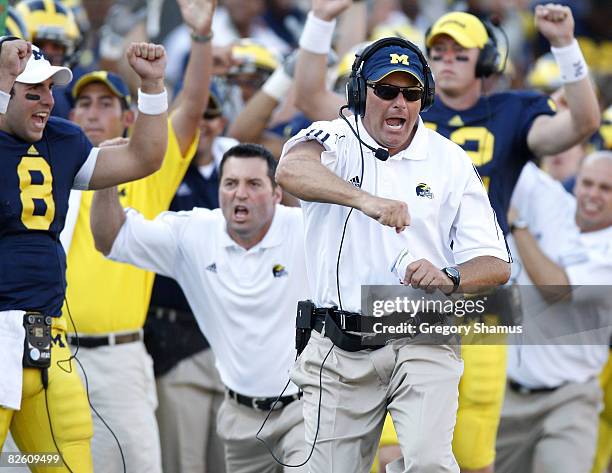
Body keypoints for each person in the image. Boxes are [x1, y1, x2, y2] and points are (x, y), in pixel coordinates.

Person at [290, 3, 600, 471]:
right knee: (370, 455)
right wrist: (321, 18)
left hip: (458, 301)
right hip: (366, 311)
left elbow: (582, 124)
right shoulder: (343, 134)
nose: (448, 57)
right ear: (363, 92)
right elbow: (302, 120)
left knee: (460, 455)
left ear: (487, 61)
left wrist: (564, 46)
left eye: (461, 50)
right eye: (439, 48)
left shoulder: (507, 116)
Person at [276, 35, 511, 473]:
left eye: (411, 93)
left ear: (425, 98)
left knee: (429, 464)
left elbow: (497, 263)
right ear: (361, 94)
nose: (399, 102)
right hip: (340, 345)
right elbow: (290, 170)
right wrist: (367, 200)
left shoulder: (450, 159)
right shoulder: (335, 138)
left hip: (422, 331)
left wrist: (450, 277)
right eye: (386, 90)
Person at [59, 1, 216, 472]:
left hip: (119, 360)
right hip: (46, 354)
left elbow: (191, 106)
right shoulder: (43, 164)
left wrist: (201, 39)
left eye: (106, 103)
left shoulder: (148, 169)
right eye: (83, 102)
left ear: (130, 118)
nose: (91, 111)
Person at [0, 36, 167, 471]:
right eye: (31, 92)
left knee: (70, 458)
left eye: (51, 90)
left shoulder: (61, 140)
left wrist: (152, 89)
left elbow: (144, 157)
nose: (47, 102)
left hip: (45, 335)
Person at [91, 143, 310, 473]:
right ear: (219, 188)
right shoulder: (193, 233)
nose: (240, 194)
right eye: (231, 183)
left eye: (254, 184)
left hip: (305, 411)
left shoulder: (307, 229)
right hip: (240, 414)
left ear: (277, 193)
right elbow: (111, 238)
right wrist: (106, 177)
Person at [497, 151, 612, 473]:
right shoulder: (550, 198)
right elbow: (499, 150)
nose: (593, 194)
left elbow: (555, 289)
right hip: (507, 393)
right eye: (588, 183)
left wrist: (517, 224)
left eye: (606, 188)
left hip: (570, 399)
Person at [145, 84, 236, 473]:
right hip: (178, 342)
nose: (202, 123)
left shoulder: (236, 178)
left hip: (232, 346)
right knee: (183, 465)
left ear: (222, 123)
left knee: (232, 463)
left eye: (210, 115)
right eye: (194, 114)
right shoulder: (156, 175)